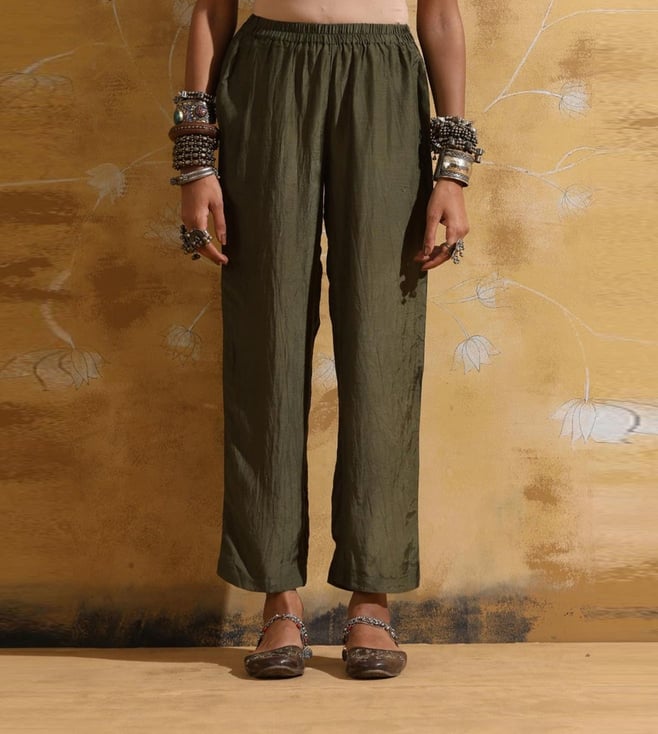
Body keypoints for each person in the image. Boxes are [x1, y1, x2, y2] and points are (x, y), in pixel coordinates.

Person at [171, 0, 482, 679]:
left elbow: (439, 16)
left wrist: (452, 170)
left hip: (383, 82)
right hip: (267, 77)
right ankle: (277, 598)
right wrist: (196, 161)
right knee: (266, 342)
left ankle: (373, 596)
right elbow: (212, 10)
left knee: (383, 345)